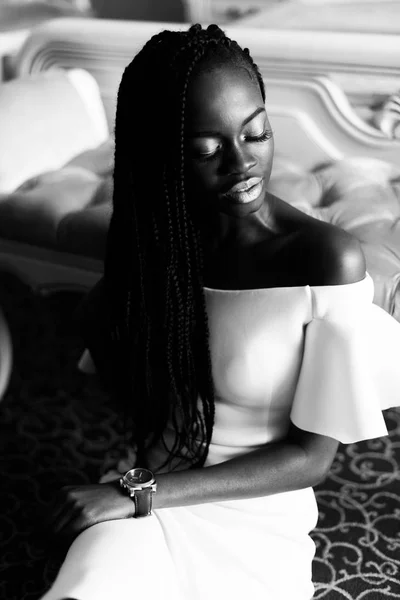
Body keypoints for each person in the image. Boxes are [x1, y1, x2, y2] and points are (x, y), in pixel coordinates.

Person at [40, 23, 400, 600]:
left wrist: (139, 491)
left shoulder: (321, 258)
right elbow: (111, 351)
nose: (242, 165)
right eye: (207, 150)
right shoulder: (155, 244)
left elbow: (310, 459)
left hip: (253, 516)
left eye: (256, 134)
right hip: (148, 507)